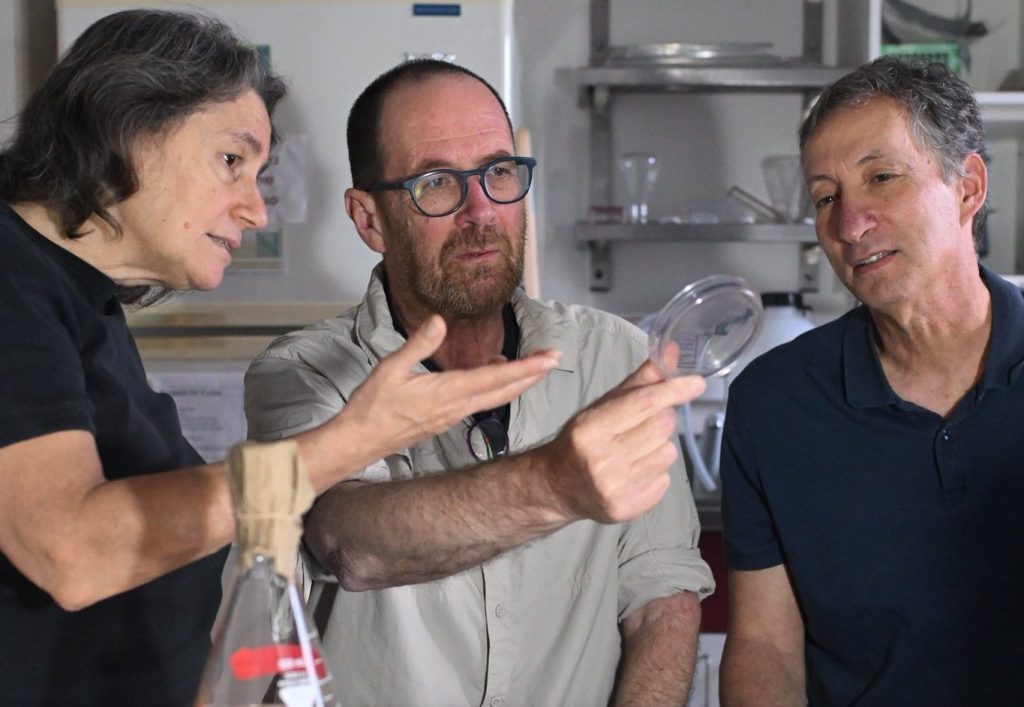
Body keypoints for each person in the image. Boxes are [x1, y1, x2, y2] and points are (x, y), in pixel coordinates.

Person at [0, 11, 559, 706]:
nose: (256, 210)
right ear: (127, 127)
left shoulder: (77, 298)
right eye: (232, 161)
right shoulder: (11, 279)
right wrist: (348, 441)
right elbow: (72, 551)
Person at [243, 59, 715, 707]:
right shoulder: (304, 372)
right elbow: (350, 542)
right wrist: (555, 483)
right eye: (435, 182)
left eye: (498, 173)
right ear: (369, 218)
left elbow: (662, 593)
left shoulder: (613, 358)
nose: (480, 211)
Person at [719, 56, 1024, 706]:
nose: (848, 225)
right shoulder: (772, 405)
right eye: (826, 197)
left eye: (881, 178)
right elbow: (765, 647)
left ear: (968, 186)